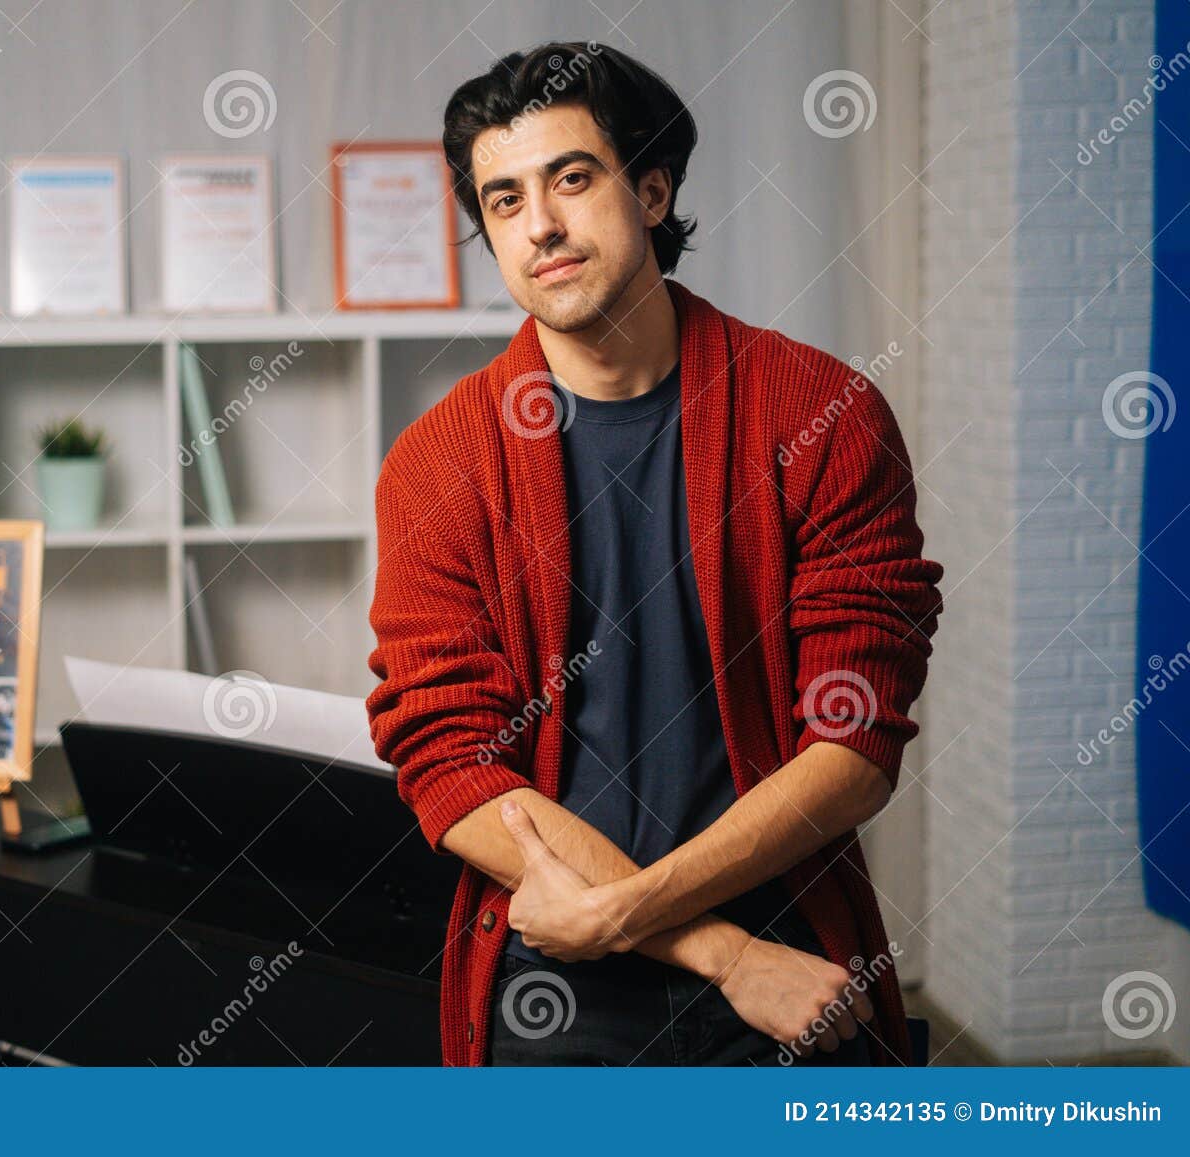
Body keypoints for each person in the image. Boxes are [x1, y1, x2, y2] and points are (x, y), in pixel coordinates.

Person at [365, 41, 944, 1067]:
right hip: (554, 966)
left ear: (652, 187)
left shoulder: (821, 414)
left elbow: (854, 742)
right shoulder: (438, 463)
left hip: (793, 946)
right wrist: (715, 951)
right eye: (502, 201)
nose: (538, 223)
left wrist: (645, 913)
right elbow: (447, 758)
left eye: (570, 178)